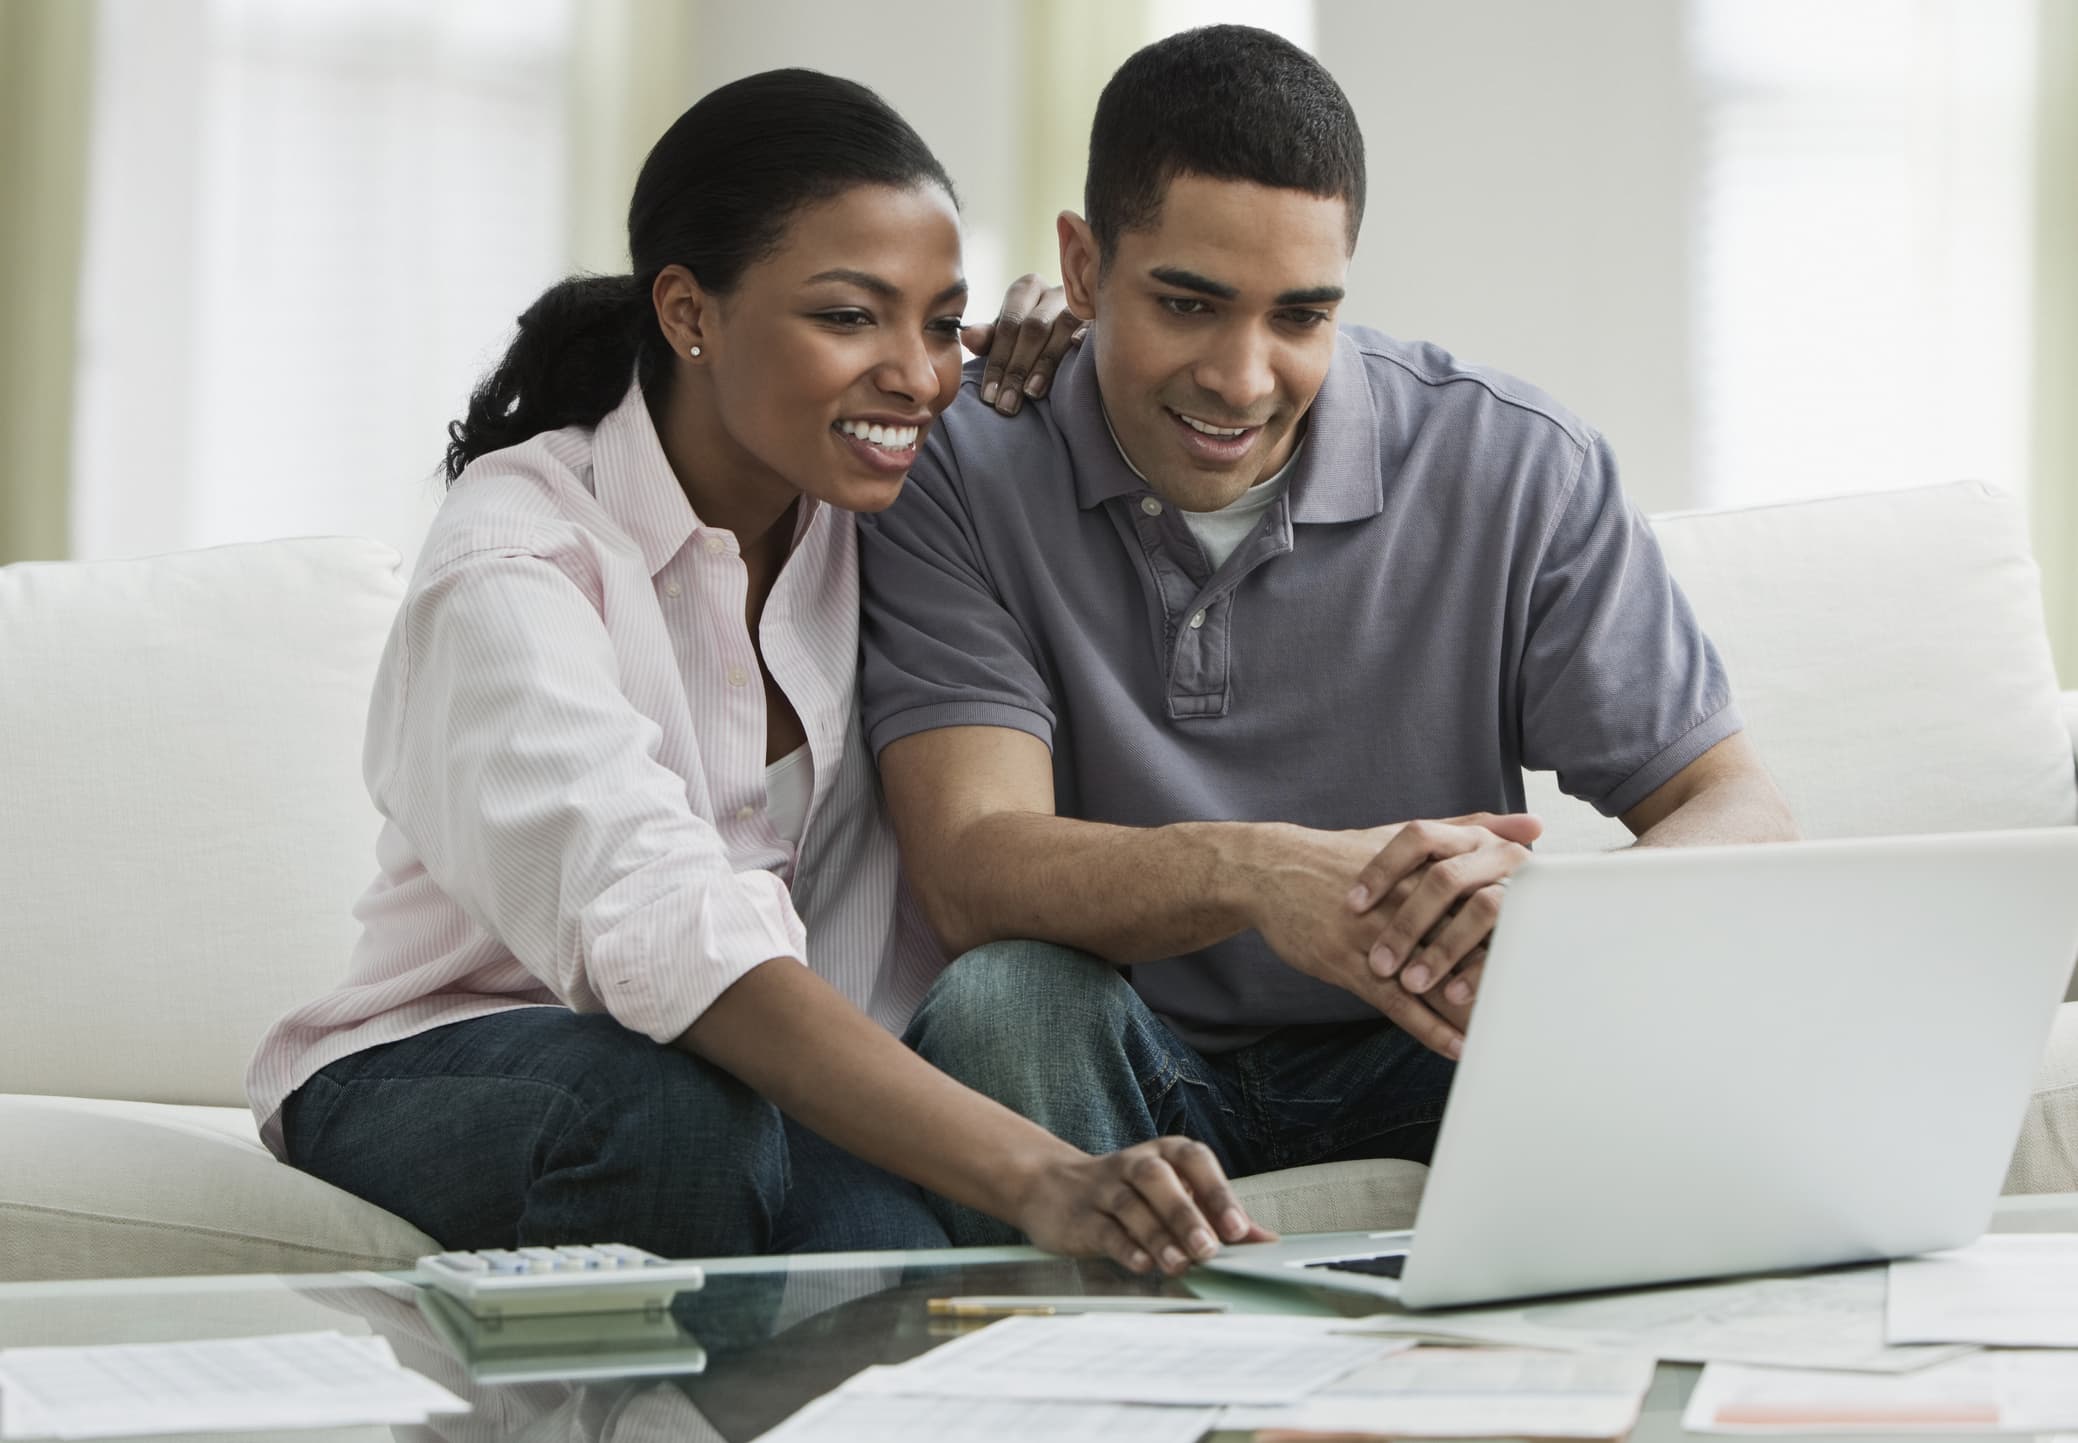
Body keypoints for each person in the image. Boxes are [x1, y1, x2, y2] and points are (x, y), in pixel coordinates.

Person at [245, 68, 1271, 1274]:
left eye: (940, 323)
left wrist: (1075, 376)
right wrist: (1042, 1173)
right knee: (668, 1114)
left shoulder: (896, 516)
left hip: (764, 1096)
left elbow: (1131, 469)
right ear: (689, 313)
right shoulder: (514, 559)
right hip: (466, 1061)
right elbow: (662, 922)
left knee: (884, 1287)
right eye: (849, 317)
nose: (917, 374)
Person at [857, 26, 1801, 1245]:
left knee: (1648, 1003)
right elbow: (969, 864)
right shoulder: (962, 471)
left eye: (1299, 316)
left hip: (1436, 1037)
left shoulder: (1511, 465)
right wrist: (1258, 874)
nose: (1243, 379)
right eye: (1188, 304)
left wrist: (1556, 907)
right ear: (1082, 269)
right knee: (1003, 1005)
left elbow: (1738, 815)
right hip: (1129, 1051)